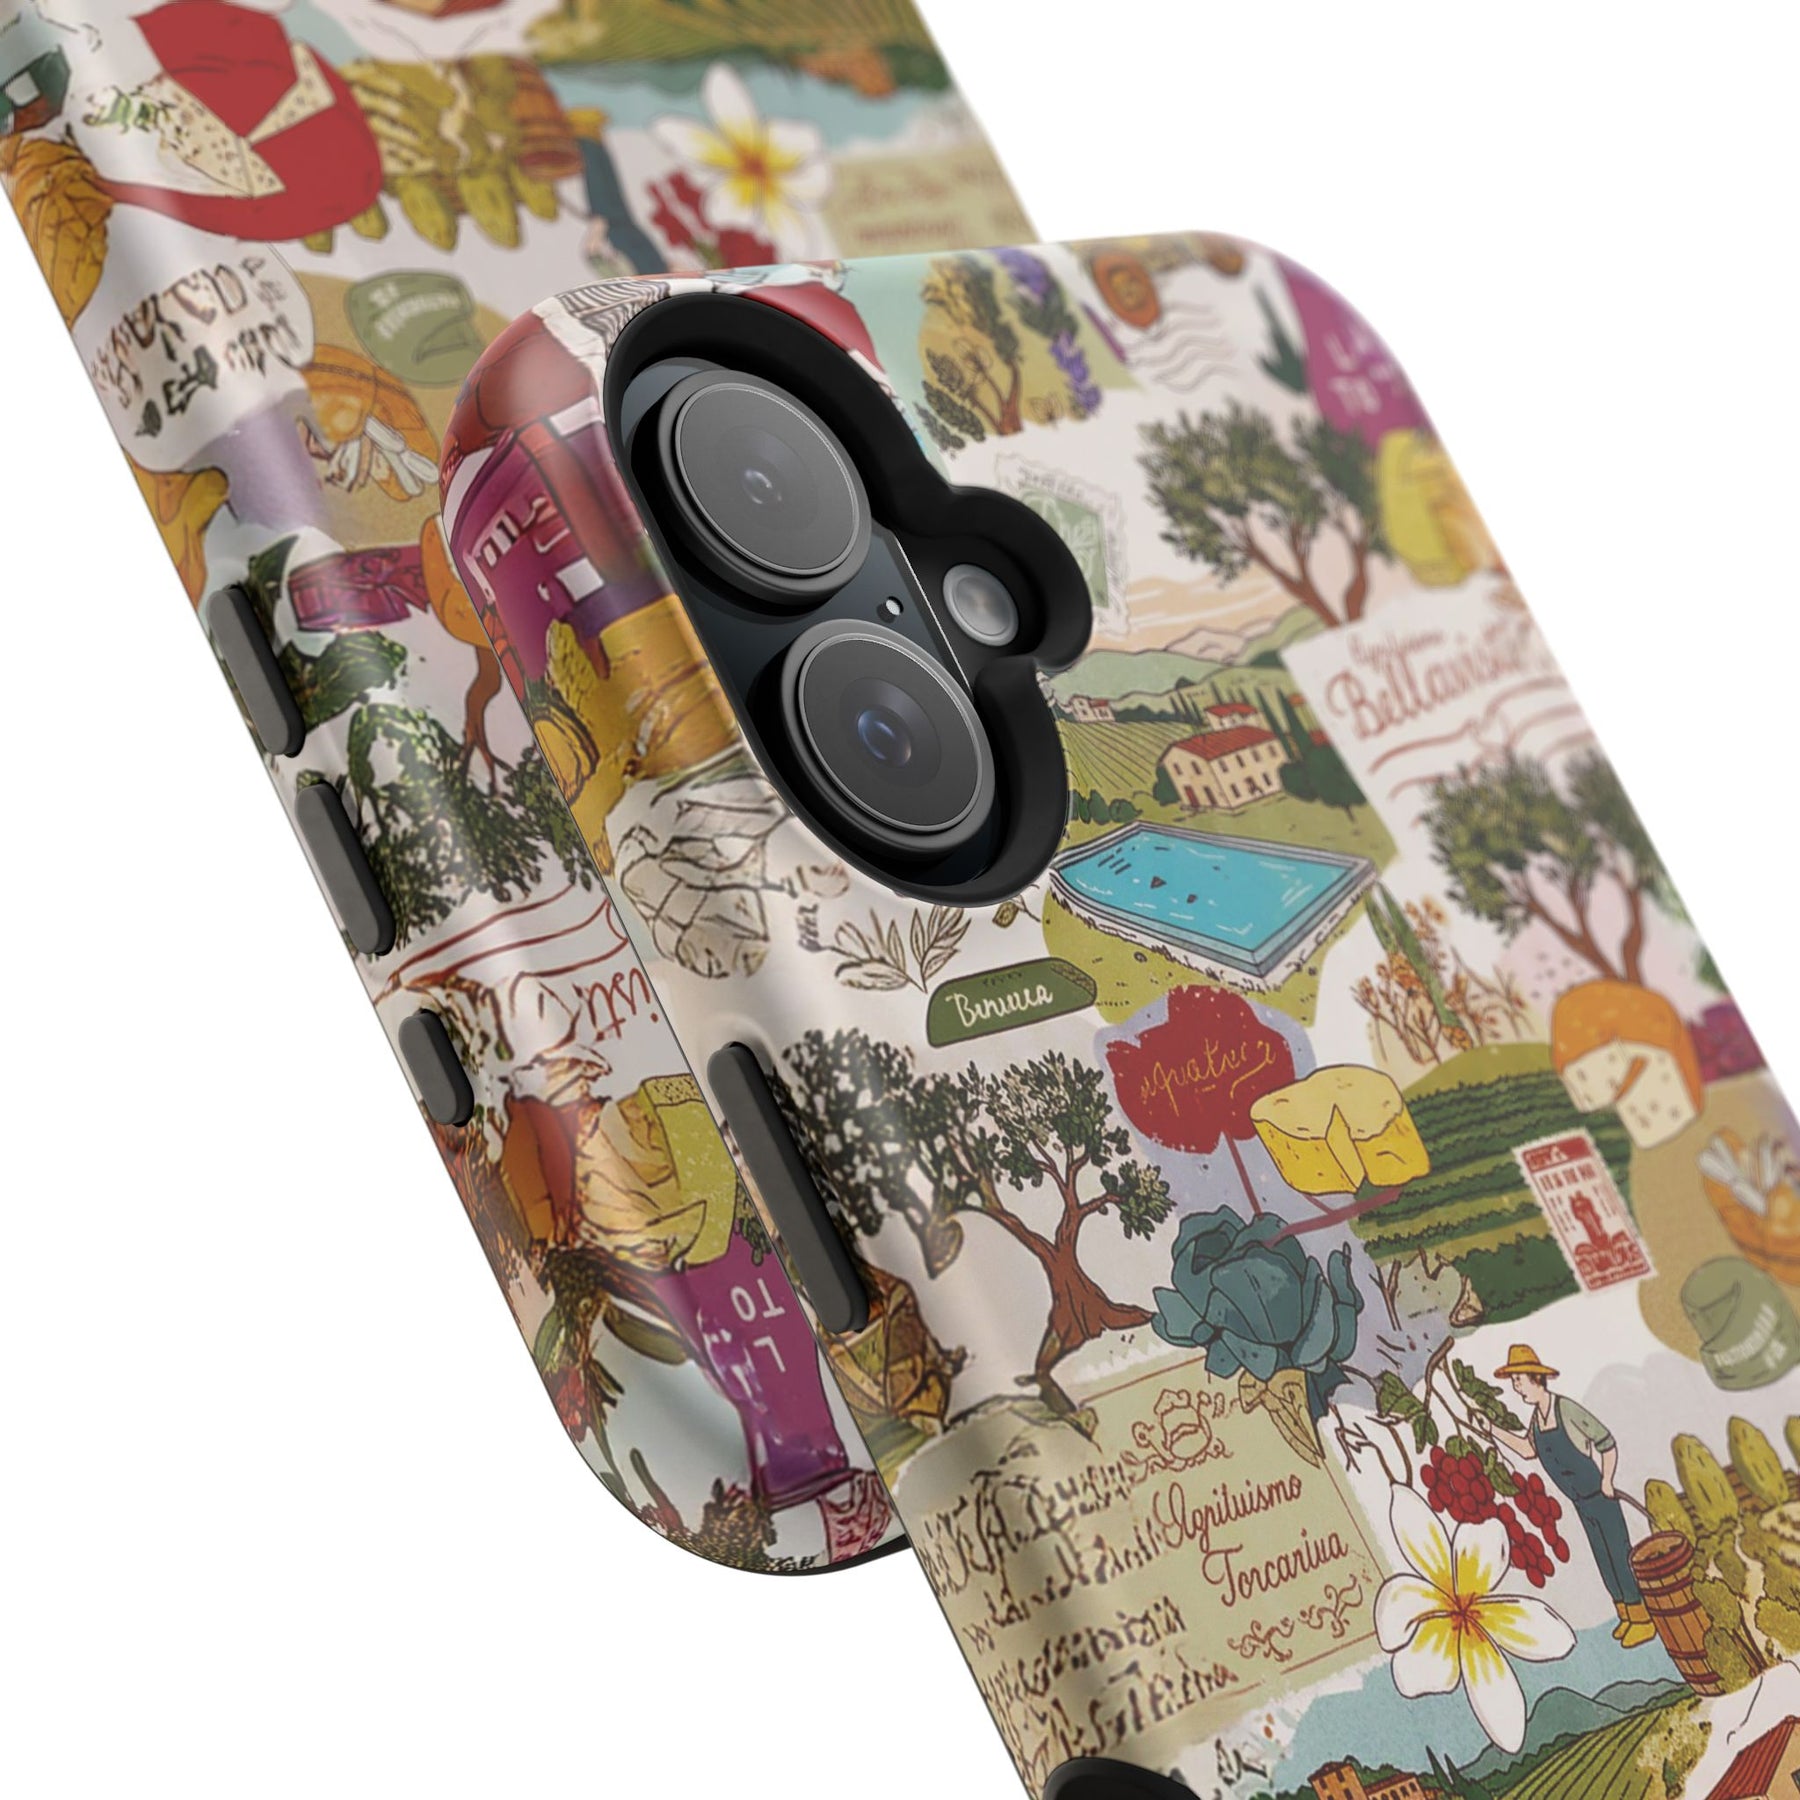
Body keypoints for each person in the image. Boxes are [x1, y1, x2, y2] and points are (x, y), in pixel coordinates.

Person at [1481, 1344, 1655, 1649]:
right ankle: (1625, 1614)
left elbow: (1606, 1442)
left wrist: (1607, 1480)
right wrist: (1493, 1430)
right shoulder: (1537, 1419)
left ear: (1535, 1378)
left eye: (1518, 1380)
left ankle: (1643, 1619)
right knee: (1602, 1557)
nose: (1516, 1388)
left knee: (1618, 1553)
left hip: (1599, 1495)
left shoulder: (1566, 1410)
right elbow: (1528, 1450)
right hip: (1580, 1502)